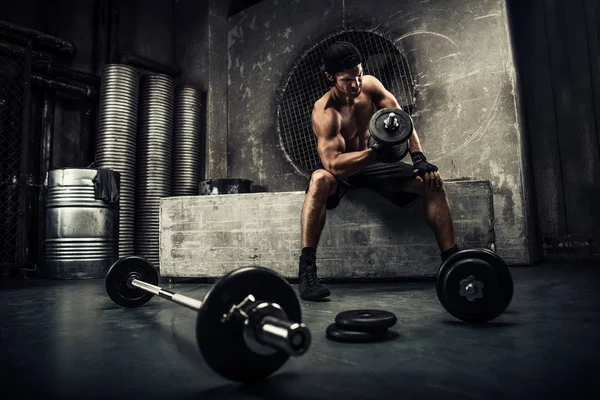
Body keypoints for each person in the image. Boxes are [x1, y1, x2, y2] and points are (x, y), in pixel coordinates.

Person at [297, 41, 460, 301]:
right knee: (319, 179)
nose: (356, 84)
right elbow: (332, 164)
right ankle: (307, 272)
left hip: (377, 164)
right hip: (347, 169)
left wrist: (418, 158)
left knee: (432, 181)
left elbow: (401, 119)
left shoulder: (370, 85)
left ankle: (454, 265)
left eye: (359, 75)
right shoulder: (325, 111)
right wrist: (373, 153)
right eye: (347, 79)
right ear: (330, 77)